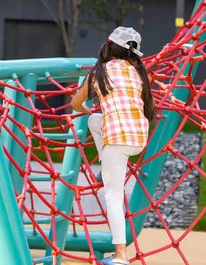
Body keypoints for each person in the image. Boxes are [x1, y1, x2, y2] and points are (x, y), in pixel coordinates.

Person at [71, 27, 155, 265]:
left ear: (108, 47)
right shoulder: (137, 72)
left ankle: (120, 256)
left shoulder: (100, 72)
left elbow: (75, 103)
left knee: (113, 196)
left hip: (118, 141)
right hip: (138, 138)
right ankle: (104, 164)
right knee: (95, 120)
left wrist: (85, 107)